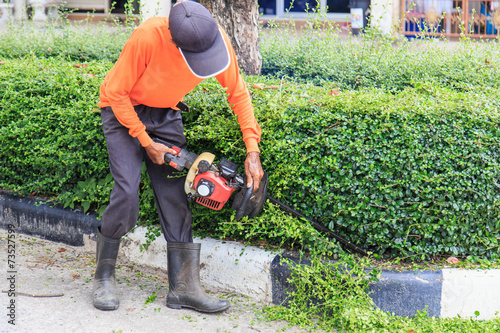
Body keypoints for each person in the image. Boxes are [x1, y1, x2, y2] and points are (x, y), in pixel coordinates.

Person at [93, 0, 263, 313]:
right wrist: (145, 140)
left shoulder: (213, 38)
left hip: (166, 114)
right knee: (127, 192)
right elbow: (116, 93)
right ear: (174, 41)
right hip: (122, 111)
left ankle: (183, 288)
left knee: (175, 196)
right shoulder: (147, 37)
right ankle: (103, 275)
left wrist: (253, 149)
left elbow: (238, 93)